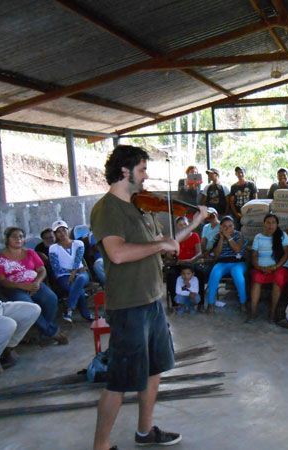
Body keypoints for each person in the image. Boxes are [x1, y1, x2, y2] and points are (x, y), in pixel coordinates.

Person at [90, 144, 208, 450]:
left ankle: (144, 432)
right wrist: (159, 247)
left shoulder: (140, 206)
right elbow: (116, 253)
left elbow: (164, 244)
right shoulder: (107, 209)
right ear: (125, 171)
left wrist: (193, 224)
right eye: (142, 170)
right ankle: (100, 446)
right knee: (119, 382)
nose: (146, 176)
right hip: (128, 305)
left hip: (152, 299)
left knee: (155, 370)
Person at [0, 227, 68, 345]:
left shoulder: (30, 253)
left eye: (21, 236)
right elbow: (1, 281)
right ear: (7, 240)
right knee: (30, 307)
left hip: (34, 284)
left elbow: (42, 270)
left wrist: (37, 282)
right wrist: (22, 287)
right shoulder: (0, 259)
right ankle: (51, 332)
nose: (18, 239)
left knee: (51, 298)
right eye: (14, 237)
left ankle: (43, 334)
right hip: (14, 289)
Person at [249, 214, 288, 322]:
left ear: (277, 224)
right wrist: (259, 267)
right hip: (261, 267)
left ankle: (272, 311)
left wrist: (275, 266)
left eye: (273, 223)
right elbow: (254, 255)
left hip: (279, 267)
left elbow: (286, 254)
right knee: (256, 279)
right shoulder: (258, 237)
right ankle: (253, 312)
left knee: (277, 279)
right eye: (268, 222)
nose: (270, 225)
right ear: (264, 224)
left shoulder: (282, 236)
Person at [49, 220, 92, 322]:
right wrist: (74, 271)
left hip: (81, 274)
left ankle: (69, 310)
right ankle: (86, 315)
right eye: (58, 231)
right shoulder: (53, 248)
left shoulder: (78, 243)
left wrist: (74, 272)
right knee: (79, 290)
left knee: (80, 279)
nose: (62, 233)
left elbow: (77, 260)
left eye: (64, 230)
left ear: (68, 230)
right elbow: (56, 267)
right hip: (63, 275)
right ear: (55, 234)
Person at [205, 216, 248, 314]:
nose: (228, 228)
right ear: (220, 227)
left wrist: (228, 236)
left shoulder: (239, 235)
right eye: (224, 226)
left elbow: (237, 249)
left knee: (238, 277)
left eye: (230, 226)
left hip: (238, 263)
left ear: (234, 226)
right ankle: (210, 304)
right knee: (214, 274)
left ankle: (243, 303)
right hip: (222, 262)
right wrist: (221, 238)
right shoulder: (217, 236)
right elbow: (216, 255)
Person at [165, 216, 204, 304]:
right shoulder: (174, 238)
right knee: (171, 276)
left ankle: (200, 303)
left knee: (200, 274)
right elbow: (169, 256)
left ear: (188, 225)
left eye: (185, 224)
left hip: (192, 264)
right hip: (178, 264)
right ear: (177, 227)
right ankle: (175, 304)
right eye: (180, 225)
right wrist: (170, 254)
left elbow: (199, 253)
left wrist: (191, 260)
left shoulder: (194, 235)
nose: (183, 226)